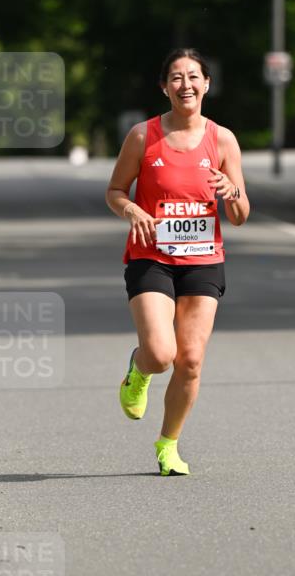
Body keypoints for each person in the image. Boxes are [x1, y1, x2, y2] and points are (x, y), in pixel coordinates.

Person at [106, 49, 250, 476]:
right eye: (175, 77)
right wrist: (132, 211)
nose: (185, 84)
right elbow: (115, 191)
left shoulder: (222, 139)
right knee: (161, 352)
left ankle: (168, 444)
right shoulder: (142, 136)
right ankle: (139, 368)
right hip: (151, 255)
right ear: (164, 87)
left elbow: (241, 216)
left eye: (193, 77)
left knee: (190, 360)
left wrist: (232, 191)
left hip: (203, 260)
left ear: (207, 84)